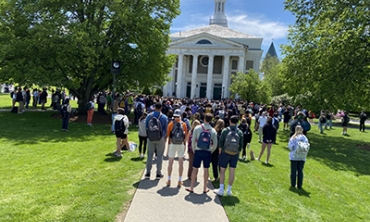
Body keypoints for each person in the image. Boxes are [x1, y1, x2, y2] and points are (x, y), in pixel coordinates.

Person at [186, 113, 218, 194]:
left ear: (204, 118)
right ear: (211, 120)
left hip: (198, 150)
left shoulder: (197, 128)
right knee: (206, 169)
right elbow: (215, 144)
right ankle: (204, 188)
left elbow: (193, 140)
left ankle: (192, 187)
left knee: (195, 169)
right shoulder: (213, 131)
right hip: (207, 151)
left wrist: (194, 149)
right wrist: (211, 150)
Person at [214, 115, 243, 196]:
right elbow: (241, 145)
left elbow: (221, 142)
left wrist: (220, 151)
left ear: (230, 121)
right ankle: (229, 190)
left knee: (222, 171)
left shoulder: (225, 131)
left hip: (225, 152)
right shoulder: (239, 132)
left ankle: (221, 189)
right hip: (234, 154)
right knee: (232, 172)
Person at [144, 102, 168, 180]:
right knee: (160, 155)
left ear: (154, 107)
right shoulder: (164, 117)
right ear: (161, 108)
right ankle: (158, 173)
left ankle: (148, 173)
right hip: (160, 137)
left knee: (150, 155)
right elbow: (165, 129)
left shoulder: (149, 116)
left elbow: (146, 127)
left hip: (150, 137)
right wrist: (164, 137)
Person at [166, 109, 188, 187]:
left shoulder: (171, 124)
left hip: (172, 143)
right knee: (181, 163)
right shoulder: (184, 124)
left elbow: (168, 136)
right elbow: (185, 135)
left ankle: (169, 180)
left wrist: (167, 147)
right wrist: (184, 144)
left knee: (170, 163)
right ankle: (179, 180)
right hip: (181, 144)